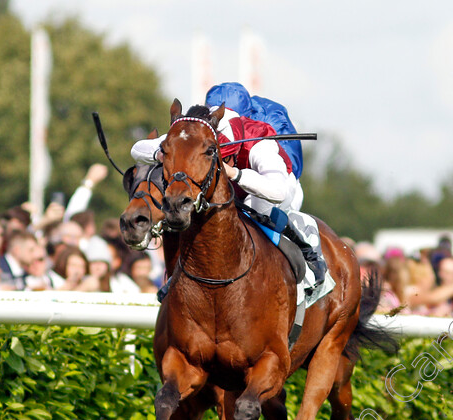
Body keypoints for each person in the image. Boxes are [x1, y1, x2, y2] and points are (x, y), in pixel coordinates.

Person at [130, 83, 326, 292]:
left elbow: (277, 192)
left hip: (275, 188)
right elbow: (137, 149)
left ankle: (307, 248)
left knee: (258, 212)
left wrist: (234, 173)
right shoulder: (199, 133)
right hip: (229, 190)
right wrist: (162, 153)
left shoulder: (259, 141)